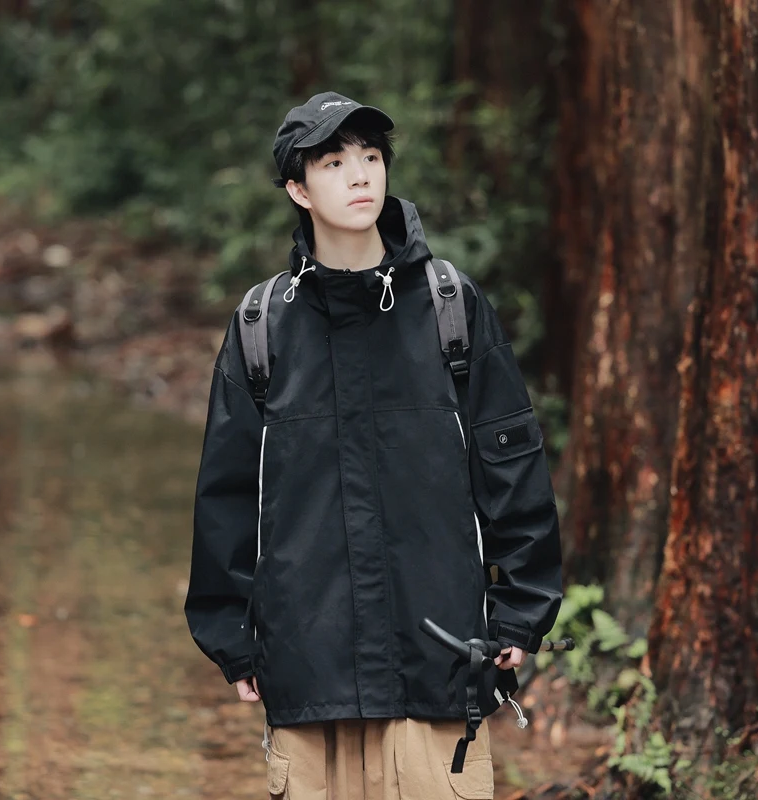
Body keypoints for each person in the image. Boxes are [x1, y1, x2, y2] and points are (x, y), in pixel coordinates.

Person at [184, 91, 563, 799]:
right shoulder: (263, 325)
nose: (360, 174)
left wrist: (522, 607)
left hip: (440, 659)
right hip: (309, 661)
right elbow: (228, 491)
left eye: (370, 157)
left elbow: (512, 464)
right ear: (298, 188)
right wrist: (229, 632)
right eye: (333, 161)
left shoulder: (450, 306)